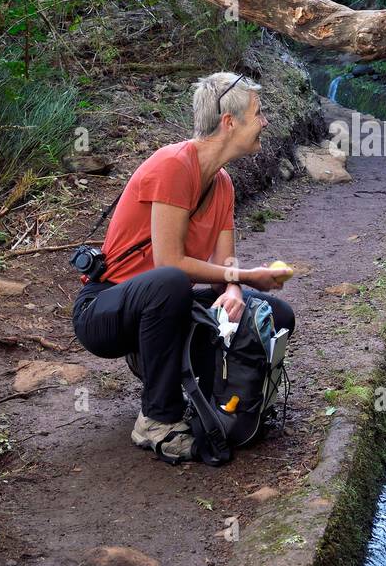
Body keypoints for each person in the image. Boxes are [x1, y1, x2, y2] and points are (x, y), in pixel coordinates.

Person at [71, 72, 294, 462]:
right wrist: (241, 277)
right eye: (258, 113)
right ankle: (155, 421)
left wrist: (236, 290)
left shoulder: (222, 183)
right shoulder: (174, 165)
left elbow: (226, 264)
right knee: (172, 281)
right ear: (229, 122)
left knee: (275, 312)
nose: (265, 121)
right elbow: (170, 262)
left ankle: (227, 400)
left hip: (161, 306)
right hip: (105, 309)